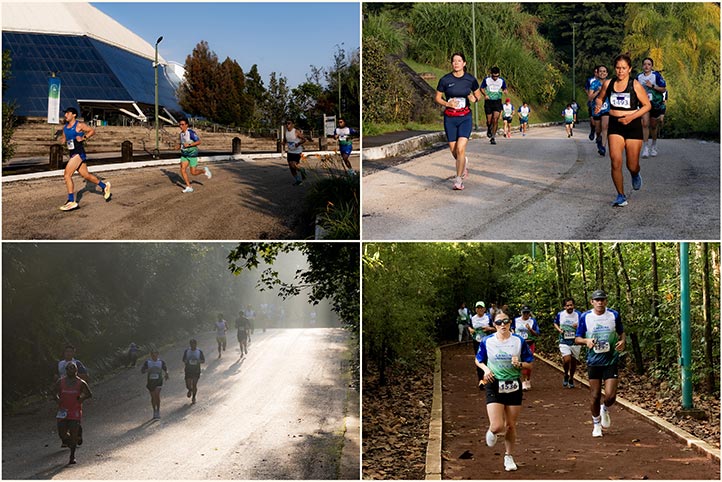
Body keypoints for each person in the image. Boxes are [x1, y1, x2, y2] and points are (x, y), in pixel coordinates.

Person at [476, 313, 534, 472]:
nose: (503, 324)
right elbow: (478, 359)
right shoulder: (488, 341)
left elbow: (530, 365)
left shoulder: (518, 341)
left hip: (513, 384)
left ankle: (509, 456)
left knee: (510, 425)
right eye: (499, 322)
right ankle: (492, 431)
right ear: (494, 324)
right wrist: (486, 370)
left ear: (510, 323)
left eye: (506, 321)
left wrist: (520, 364)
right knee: (497, 426)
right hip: (494, 383)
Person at [595, 53, 651, 207]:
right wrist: (599, 103)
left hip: (632, 125)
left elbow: (647, 105)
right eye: (618, 68)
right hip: (615, 125)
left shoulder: (635, 85)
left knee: (631, 164)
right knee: (615, 161)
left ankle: (635, 173)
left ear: (629, 69)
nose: (620, 71)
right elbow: (600, 97)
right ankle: (620, 195)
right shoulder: (608, 84)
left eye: (624, 68)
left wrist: (631, 117)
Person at [575, 289, 625, 438]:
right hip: (594, 361)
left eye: (602, 300)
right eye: (597, 300)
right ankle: (596, 424)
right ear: (592, 302)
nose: (600, 302)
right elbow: (577, 338)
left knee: (610, 396)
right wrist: (586, 341)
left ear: (606, 301)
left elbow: (622, 332)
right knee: (595, 395)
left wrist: (623, 341)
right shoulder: (585, 317)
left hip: (610, 360)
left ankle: (605, 408)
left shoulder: (613, 315)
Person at [434, 52, 481, 191]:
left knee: (461, 148)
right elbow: (437, 97)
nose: (456, 63)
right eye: (454, 61)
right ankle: (464, 162)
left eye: (459, 61)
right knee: (454, 151)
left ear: (464, 63)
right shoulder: (445, 80)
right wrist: (447, 104)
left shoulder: (470, 79)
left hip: (465, 117)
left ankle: (458, 180)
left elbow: (478, 95)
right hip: (450, 118)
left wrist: (475, 99)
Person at [58, 107, 111, 211]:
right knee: (86, 175)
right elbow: (64, 138)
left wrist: (83, 138)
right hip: (72, 153)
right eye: (65, 114)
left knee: (67, 175)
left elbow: (92, 131)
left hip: (78, 153)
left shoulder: (79, 125)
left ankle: (71, 201)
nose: (65, 115)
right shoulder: (65, 128)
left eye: (67, 113)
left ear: (73, 115)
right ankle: (104, 186)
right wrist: (63, 140)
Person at [55, 361, 92, 465]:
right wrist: (57, 399)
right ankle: (71, 439)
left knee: (73, 433)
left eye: (74, 368)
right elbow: (53, 393)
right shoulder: (60, 382)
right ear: (66, 370)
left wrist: (81, 398)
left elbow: (89, 394)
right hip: (63, 411)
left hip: (75, 411)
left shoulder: (81, 383)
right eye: (70, 368)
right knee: (62, 434)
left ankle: (72, 456)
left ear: (77, 370)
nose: (72, 370)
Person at [637, 58, 667, 158]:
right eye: (645, 64)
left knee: (653, 126)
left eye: (649, 64)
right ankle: (645, 147)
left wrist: (652, 86)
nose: (646, 66)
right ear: (642, 66)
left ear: (651, 66)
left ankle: (654, 145)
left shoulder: (656, 76)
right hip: (644, 103)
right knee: (645, 124)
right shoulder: (639, 77)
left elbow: (663, 90)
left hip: (655, 103)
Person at [553, 298, 583, 388]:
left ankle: (571, 378)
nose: (569, 307)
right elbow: (555, 323)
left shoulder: (578, 314)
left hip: (575, 341)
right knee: (567, 360)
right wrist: (559, 330)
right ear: (564, 306)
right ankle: (566, 374)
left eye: (571, 305)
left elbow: (584, 325)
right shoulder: (560, 314)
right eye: (567, 305)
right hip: (564, 341)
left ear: (574, 306)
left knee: (573, 362)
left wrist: (578, 326)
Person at [176, 118, 211, 193]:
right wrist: (178, 146)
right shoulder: (181, 134)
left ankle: (204, 171)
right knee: (182, 169)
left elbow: (198, 142)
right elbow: (182, 142)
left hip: (192, 155)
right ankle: (189, 187)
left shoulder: (190, 133)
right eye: (180, 124)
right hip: (184, 155)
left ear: (186, 125)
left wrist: (189, 145)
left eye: (182, 124)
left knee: (193, 172)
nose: (180, 126)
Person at [512, 306, 539, 390]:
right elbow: (512, 329)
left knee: (529, 362)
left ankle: (528, 379)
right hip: (519, 344)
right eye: (524, 313)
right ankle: (524, 381)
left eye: (527, 312)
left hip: (530, 343)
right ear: (521, 313)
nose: (526, 314)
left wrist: (530, 329)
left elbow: (537, 333)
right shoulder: (516, 320)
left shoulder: (532, 321)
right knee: (522, 361)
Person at [468, 301, 494, 388]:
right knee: (479, 360)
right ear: (475, 309)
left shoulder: (488, 318)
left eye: (481, 308)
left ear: (484, 309)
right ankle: (481, 380)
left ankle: (488, 379)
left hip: (488, 342)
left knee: (488, 360)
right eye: (478, 308)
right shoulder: (473, 318)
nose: (479, 309)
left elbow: (496, 328)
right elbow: (469, 326)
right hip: (477, 341)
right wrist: (470, 329)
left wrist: (488, 328)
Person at [480, 67, 508, 145]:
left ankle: (493, 137)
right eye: (494, 76)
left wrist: (505, 91)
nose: (495, 78)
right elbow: (481, 88)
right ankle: (489, 128)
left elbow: (504, 88)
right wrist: (485, 95)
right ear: (491, 74)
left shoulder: (501, 81)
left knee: (495, 119)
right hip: (488, 102)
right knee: (489, 120)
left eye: (497, 76)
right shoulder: (487, 80)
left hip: (497, 102)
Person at [140, 348, 168, 419]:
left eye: (155, 354)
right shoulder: (148, 362)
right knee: (153, 397)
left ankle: (158, 411)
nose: (154, 355)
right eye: (152, 354)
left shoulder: (161, 362)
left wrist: (167, 373)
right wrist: (147, 370)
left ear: (158, 354)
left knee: (157, 395)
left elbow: (165, 369)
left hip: (159, 381)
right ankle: (154, 410)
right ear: (151, 355)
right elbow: (142, 371)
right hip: (151, 382)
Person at [590, 65, 611, 156]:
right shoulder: (594, 83)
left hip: (606, 108)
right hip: (597, 109)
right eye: (600, 71)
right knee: (598, 129)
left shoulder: (610, 83)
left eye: (604, 71)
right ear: (597, 73)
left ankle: (603, 147)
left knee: (605, 126)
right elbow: (590, 98)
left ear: (607, 73)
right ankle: (598, 138)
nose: (602, 73)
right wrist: (598, 91)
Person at [283, 120, 307, 186]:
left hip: (297, 151)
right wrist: (283, 143)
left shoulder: (296, 132)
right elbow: (285, 140)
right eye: (286, 123)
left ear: (292, 124)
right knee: (291, 167)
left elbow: (304, 139)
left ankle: (302, 170)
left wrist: (298, 143)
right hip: (290, 151)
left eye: (289, 123)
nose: (287, 125)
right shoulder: (286, 132)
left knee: (293, 164)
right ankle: (298, 180)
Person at [182, 339, 205, 404]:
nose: (193, 346)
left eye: (194, 344)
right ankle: (190, 390)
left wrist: (198, 361)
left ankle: (194, 397)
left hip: (196, 370)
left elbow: (203, 360)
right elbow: (183, 359)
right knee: (188, 385)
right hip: (188, 370)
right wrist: (186, 361)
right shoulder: (187, 351)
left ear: (196, 344)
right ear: (190, 345)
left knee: (194, 384)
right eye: (191, 344)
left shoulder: (199, 351)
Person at [584, 67, 600, 141]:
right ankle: (592, 129)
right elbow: (586, 89)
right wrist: (590, 96)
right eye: (596, 72)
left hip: (602, 103)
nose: (598, 73)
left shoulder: (605, 81)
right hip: (592, 102)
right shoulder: (590, 80)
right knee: (592, 120)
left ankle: (599, 136)